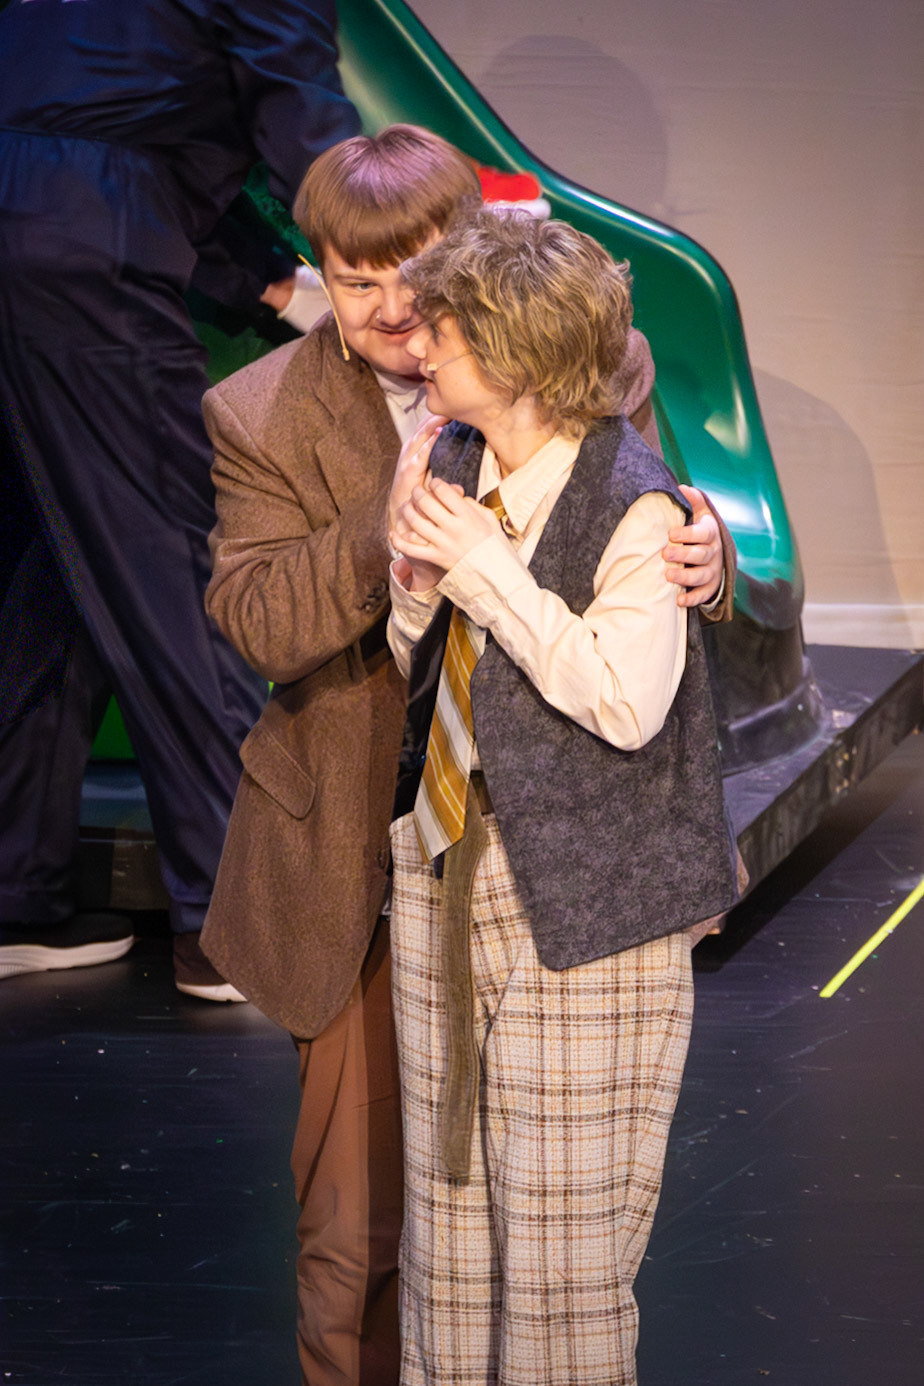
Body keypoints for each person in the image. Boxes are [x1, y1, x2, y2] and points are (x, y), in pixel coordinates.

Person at [198, 125, 734, 1385]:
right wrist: (383, 532)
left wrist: (703, 566)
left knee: (548, 1236)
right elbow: (262, 621)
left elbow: (629, 527)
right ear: (319, 270)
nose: (397, 315)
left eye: (418, 276)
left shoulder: (591, 352)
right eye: (358, 277)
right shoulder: (262, 409)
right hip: (360, 834)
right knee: (369, 1232)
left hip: (552, 853)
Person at [385, 209, 740, 1385]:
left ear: (519, 355)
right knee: (446, 1241)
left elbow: (623, 704)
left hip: (588, 903)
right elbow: (417, 661)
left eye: (442, 325)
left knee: (563, 1268)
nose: (416, 339)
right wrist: (414, 592)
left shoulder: (637, 505)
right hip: (445, 857)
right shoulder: (449, 460)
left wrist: (487, 577)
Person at [0, 0, 360, 998]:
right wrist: (386, 267)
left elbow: (91, 128)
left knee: (48, 564)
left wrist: (277, 282)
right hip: (81, 253)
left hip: (39, 222)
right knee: (181, 570)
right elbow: (300, 113)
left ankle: (12, 889)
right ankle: (235, 920)